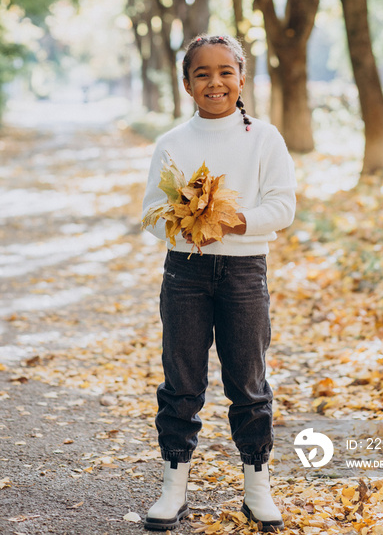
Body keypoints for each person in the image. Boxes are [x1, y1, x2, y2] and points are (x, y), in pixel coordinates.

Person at [141, 34, 297, 532]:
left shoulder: (264, 138)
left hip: (244, 272)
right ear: (187, 84)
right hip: (185, 271)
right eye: (202, 74)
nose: (215, 82)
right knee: (181, 381)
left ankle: (257, 487)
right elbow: (149, 212)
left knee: (248, 383)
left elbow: (282, 207)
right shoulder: (171, 143)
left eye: (225, 72)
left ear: (241, 79)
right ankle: (173, 487)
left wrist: (229, 220)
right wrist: (180, 217)